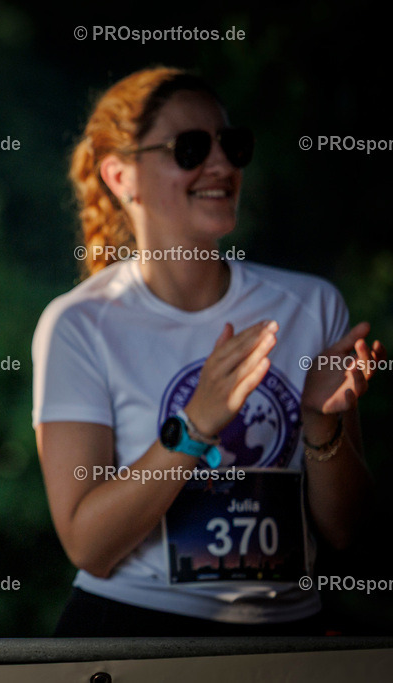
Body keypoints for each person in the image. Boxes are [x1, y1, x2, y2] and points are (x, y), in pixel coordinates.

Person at [32, 67, 384, 636]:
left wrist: (321, 422)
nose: (221, 165)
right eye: (191, 148)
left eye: (232, 145)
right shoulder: (78, 324)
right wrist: (195, 424)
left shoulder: (311, 306)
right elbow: (88, 545)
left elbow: (348, 533)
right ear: (122, 177)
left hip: (289, 640)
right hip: (134, 637)